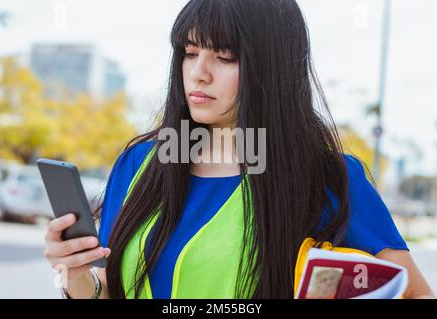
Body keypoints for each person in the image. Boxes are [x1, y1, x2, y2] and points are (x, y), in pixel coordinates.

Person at [43, 0, 435, 299]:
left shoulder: (327, 177)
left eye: (225, 56)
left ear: (273, 68)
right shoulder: (141, 163)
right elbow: (108, 288)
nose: (199, 72)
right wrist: (77, 274)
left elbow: (415, 292)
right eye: (190, 52)